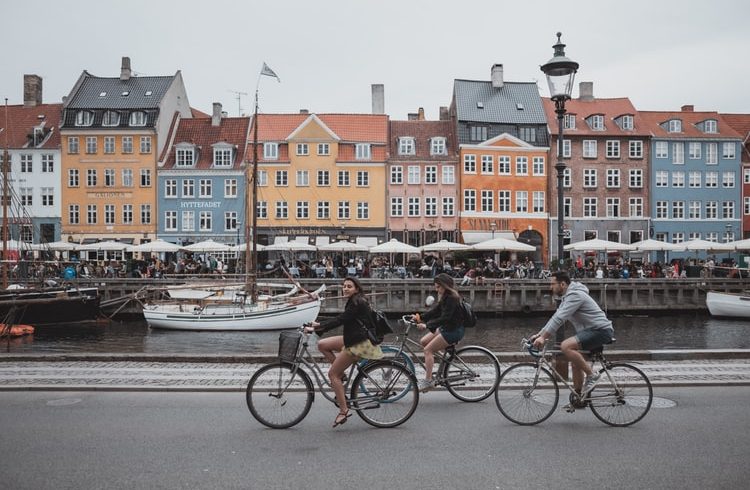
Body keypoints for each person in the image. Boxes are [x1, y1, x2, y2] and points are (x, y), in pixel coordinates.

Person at [305, 276, 382, 428]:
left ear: (356, 289)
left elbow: (341, 320)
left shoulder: (357, 302)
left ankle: (344, 410)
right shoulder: (355, 300)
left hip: (359, 344)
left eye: (349, 286)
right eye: (344, 286)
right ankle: (342, 375)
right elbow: (342, 318)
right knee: (322, 344)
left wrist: (317, 327)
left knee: (332, 375)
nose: (345, 288)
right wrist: (319, 324)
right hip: (354, 338)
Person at [531, 271, 614, 402]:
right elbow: (555, 317)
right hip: (590, 331)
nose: (550, 287)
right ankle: (579, 397)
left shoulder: (575, 295)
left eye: (553, 284)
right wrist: (540, 334)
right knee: (576, 363)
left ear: (562, 284)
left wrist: (543, 337)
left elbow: (560, 318)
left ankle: (592, 376)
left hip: (600, 330)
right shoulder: (567, 297)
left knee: (566, 346)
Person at [413, 273, 465, 392]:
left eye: (438, 287)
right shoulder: (446, 296)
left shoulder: (452, 298)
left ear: (445, 286)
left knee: (428, 350)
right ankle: (444, 361)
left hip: (454, 331)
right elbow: (435, 311)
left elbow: (445, 318)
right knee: (424, 341)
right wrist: (419, 317)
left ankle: (428, 382)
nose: (436, 289)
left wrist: (427, 325)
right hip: (447, 328)